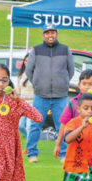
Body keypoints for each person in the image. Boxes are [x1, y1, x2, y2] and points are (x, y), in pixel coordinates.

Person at [25, 25, 75, 162]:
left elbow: (71, 71)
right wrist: (37, 83)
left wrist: (62, 83)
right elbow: (29, 71)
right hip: (40, 95)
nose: (50, 35)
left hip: (61, 96)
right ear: (43, 35)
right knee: (35, 125)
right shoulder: (36, 50)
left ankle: (63, 154)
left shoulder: (65, 50)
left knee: (63, 126)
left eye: (52, 32)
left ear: (57, 34)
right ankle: (32, 153)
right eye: (47, 33)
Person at [53, 69, 92, 164]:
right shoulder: (73, 102)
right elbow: (63, 124)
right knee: (77, 175)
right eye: (84, 84)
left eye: (90, 84)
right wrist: (58, 145)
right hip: (76, 147)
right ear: (79, 85)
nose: (86, 87)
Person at [17, 53, 34, 141]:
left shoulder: (36, 74)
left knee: (29, 126)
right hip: (22, 103)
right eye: (25, 61)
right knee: (20, 125)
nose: (27, 62)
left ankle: (29, 146)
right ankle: (29, 140)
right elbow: (18, 90)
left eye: (29, 61)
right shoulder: (21, 74)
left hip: (32, 103)